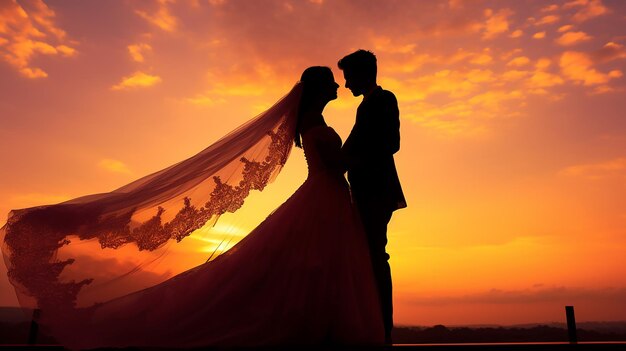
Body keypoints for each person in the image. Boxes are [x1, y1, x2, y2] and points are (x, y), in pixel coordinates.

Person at [1, 66, 385, 349]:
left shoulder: (313, 119)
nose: (339, 84)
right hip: (325, 197)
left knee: (315, 265)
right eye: (332, 81)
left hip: (329, 197)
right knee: (309, 264)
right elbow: (335, 164)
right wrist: (363, 150)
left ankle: (319, 327)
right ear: (320, 88)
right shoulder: (313, 121)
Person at [339, 50, 407, 344]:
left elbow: (391, 143)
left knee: (376, 256)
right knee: (368, 256)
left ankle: (383, 329)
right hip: (364, 190)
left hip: (377, 191)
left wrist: (351, 161)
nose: (346, 85)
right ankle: (371, 324)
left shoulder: (384, 100)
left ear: (362, 74)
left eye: (348, 78)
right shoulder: (364, 106)